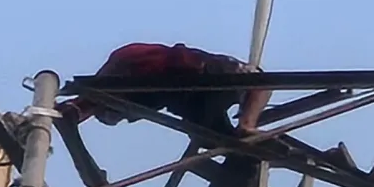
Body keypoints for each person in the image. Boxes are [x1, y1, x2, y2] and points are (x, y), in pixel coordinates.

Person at [58, 42, 271, 136]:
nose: (128, 119)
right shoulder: (123, 93)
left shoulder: (114, 82)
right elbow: (82, 105)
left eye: (120, 117)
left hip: (194, 73)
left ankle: (246, 125)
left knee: (259, 80)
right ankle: (243, 131)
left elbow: (88, 100)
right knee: (213, 135)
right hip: (187, 95)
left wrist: (71, 110)